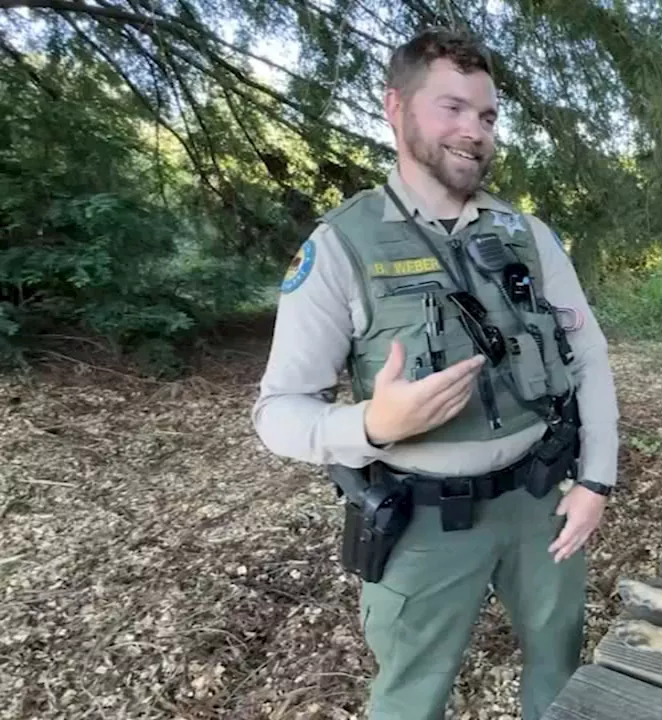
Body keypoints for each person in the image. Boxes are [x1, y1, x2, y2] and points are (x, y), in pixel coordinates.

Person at [250, 26, 620, 720]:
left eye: (485, 116)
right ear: (397, 108)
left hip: (541, 503)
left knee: (559, 668)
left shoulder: (527, 237)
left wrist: (596, 479)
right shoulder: (340, 247)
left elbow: (589, 358)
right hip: (422, 522)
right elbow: (278, 411)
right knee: (410, 697)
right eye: (451, 108)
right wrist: (369, 424)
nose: (474, 131)